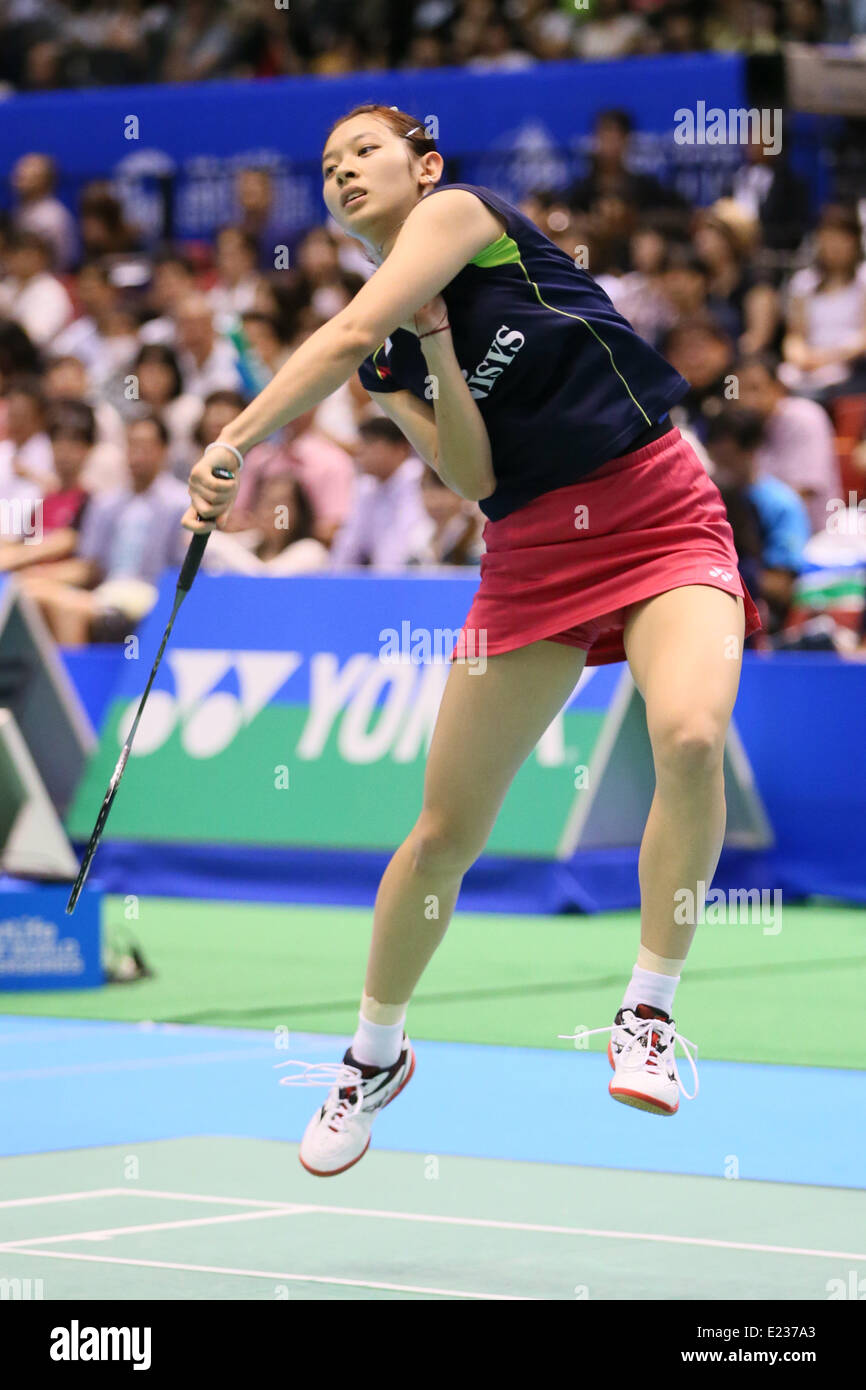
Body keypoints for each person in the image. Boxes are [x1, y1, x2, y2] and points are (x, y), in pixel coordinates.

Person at [183, 103, 761, 1176]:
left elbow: (348, 327)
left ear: (425, 164)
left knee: (686, 736)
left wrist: (230, 438)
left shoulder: (459, 214)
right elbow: (476, 478)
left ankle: (646, 1011)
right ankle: (372, 1055)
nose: (344, 171)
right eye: (329, 163)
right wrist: (436, 355)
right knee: (444, 829)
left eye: (364, 151)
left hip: (658, 510)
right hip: (533, 554)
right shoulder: (390, 356)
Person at [20, 413, 189, 644]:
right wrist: (36, 576)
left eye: (145, 446)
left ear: (163, 450)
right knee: (28, 593)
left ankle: (75, 679)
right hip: (108, 592)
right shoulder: (107, 503)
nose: (136, 455)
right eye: (131, 445)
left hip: (151, 593)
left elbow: (184, 567)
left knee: (68, 610)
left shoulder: (181, 504)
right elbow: (90, 567)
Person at [705, 409, 810, 634]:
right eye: (716, 460)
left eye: (729, 460)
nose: (722, 471)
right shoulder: (701, 498)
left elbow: (781, 588)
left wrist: (723, 574)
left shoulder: (782, 504)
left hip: (764, 625)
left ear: (751, 450)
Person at [734, 352, 842, 534]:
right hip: (761, 534)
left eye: (754, 389)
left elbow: (799, 496)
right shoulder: (739, 425)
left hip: (814, 537)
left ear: (778, 389)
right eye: (738, 391)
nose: (747, 400)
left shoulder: (804, 417)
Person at [329, 417, 434, 567]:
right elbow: (349, 545)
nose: (361, 451)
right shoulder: (365, 486)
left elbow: (408, 544)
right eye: (361, 443)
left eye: (370, 443)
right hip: (380, 579)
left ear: (400, 448)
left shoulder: (417, 478)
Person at [202, 469, 329, 575]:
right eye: (265, 501)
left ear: (299, 512)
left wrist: (218, 544)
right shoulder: (248, 542)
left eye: (280, 503)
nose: (272, 511)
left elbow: (266, 581)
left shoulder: (311, 551)